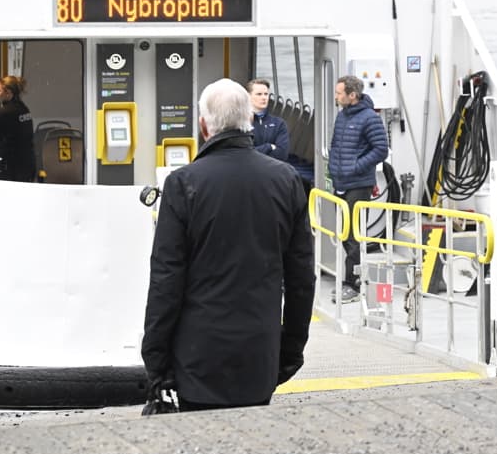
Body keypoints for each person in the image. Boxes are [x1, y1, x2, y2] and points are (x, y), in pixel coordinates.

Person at [141, 79, 314, 411]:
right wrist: (289, 351)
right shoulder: (286, 180)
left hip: (197, 359)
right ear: (248, 120)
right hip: (259, 355)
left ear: (204, 126)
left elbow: (166, 280)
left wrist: (156, 362)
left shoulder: (183, 184)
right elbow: (301, 279)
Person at [329, 74, 389, 303]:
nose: (336, 96)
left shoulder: (369, 119)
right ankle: (354, 279)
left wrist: (356, 166)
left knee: (353, 235)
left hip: (358, 184)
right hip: (341, 183)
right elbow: (337, 146)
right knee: (345, 233)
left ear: (351, 95)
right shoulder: (343, 116)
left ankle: (352, 284)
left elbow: (381, 149)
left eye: (338, 93)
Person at [0, 75, 36, 182]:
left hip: (13, 168)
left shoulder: (4, 113)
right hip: (27, 164)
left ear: (8, 93)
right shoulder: (24, 109)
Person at [247, 78, 290, 162]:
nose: (264, 98)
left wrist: (256, 151)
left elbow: (282, 154)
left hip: (273, 172)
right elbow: (243, 155)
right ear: (248, 96)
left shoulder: (279, 124)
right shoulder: (241, 123)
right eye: (259, 94)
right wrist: (268, 147)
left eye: (266, 94)